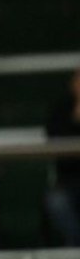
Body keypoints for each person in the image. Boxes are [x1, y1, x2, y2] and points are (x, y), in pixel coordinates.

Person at [45, 68, 80, 246]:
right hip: (68, 181)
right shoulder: (62, 109)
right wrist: (75, 119)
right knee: (56, 202)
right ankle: (76, 246)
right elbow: (53, 136)